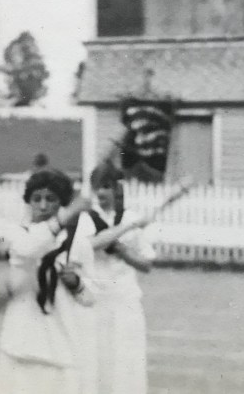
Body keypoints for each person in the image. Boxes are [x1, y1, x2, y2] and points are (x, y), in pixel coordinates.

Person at [0, 168, 98, 394]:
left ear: (62, 203)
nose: (42, 206)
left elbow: (90, 298)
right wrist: (67, 216)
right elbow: (30, 249)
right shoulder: (18, 233)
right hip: (19, 345)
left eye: (51, 199)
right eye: (36, 199)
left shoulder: (77, 243)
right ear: (28, 202)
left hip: (60, 347)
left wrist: (76, 284)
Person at [84, 163, 155, 394]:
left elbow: (146, 264)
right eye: (97, 188)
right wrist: (124, 229)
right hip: (93, 303)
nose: (101, 193)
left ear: (116, 189)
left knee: (126, 365)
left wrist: (123, 252)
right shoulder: (86, 219)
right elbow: (90, 245)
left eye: (106, 187)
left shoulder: (130, 217)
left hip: (125, 302)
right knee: (95, 364)